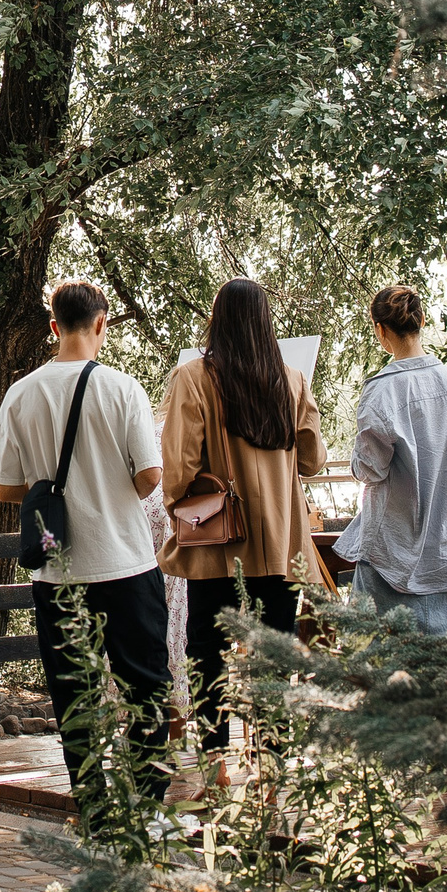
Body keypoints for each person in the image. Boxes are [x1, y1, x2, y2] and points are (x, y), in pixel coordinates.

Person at [0, 280, 169, 793]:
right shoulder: (123, 388)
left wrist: (48, 486)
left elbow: (3, 489)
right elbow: (150, 476)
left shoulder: (21, 393)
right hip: (126, 561)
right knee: (146, 686)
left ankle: (93, 802)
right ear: (101, 323)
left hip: (57, 570)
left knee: (73, 691)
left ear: (53, 326)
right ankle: (148, 805)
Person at [158, 279, 332, 769]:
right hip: (281, 544)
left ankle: (214, 766)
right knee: (275, 656)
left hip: (218, 543)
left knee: (207, 651)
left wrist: (180, 505)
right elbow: (314, 458)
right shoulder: (292, 379)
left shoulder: (193, 377)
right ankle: (272, 770)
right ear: (265, 323)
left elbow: (179, 468)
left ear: (217, 320)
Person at [335, 286, 447, 636]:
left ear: (380, 330)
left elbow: (369, 470)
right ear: (422, 320)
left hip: (390, 548)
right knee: (446, 665)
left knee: (376, 665)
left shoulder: (382, 390)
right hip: (446, 548)